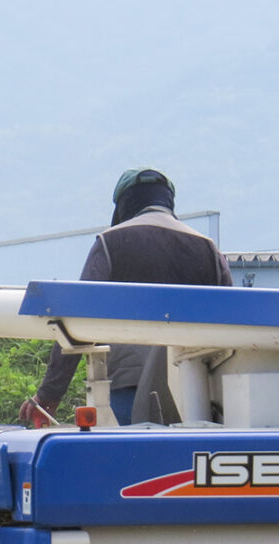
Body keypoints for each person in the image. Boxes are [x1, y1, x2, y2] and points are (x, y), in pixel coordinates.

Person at [20, 168, 232, 427]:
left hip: (127, 386)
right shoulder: (207, 248)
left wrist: (49, 395)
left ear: (124, 203)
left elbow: (76, 318)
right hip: (196, 389)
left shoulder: (111, 243)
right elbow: (231, 327)